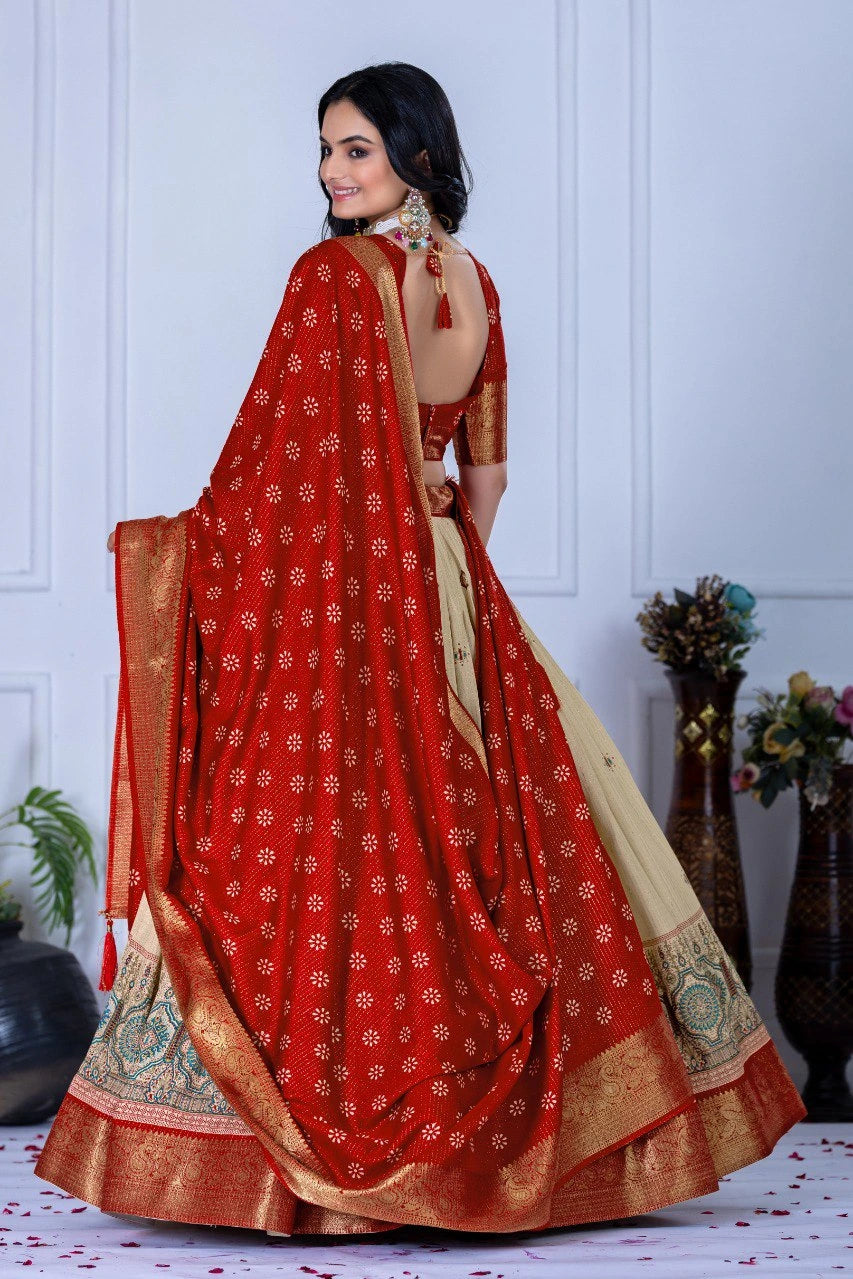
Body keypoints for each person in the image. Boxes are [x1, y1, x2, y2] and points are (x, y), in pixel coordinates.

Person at [35, 62, 806, 1238]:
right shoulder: (475, 283)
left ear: (416, 153)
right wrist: (445, 578)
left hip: (348, 601)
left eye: (353, 149)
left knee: (320, 847)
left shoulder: (331, 279)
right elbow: (481, 474)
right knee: (482, 853)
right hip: (447, 587)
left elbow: (265, 477)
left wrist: (166, 550)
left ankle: (300, 1151)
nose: (330, 172)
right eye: (326, 150)